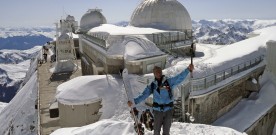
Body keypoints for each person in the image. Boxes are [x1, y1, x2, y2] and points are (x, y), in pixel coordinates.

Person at [128, 64, 194, 135]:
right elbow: (144, 95)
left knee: (166, 132)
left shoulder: (169, 82)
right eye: (156, 72)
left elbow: (179, 78)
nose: (158, 73)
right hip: (157, 111)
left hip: (168, 110)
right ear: (154, 74)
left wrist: (188, 70)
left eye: (159, 71)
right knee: (156, 132)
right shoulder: (152, 85)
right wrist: (134, 102)